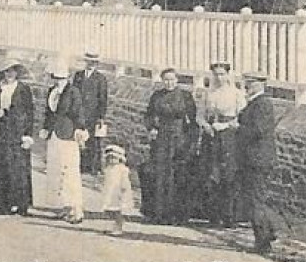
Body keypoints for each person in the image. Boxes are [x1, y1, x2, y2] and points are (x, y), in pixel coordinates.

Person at [142, 67, 197, 224]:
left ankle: (176, 215)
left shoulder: (185, 96)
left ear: (177, 80)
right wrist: (151, 127)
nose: (169, 83)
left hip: (179, 139)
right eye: (166, 79)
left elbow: (192, 121)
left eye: (172, 79)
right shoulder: (157, 96)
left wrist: (189, 142)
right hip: (161, 138)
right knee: (160, 174)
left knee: (177, 175)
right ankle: (159, 213)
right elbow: (149, 114)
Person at [198, 61, 247, 226]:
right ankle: (213, 215)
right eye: (216, 74)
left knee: (228, 174)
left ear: (228, 75)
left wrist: (225, 125)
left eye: (222, 74)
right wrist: (205, 125)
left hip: (228, 136)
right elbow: (200, 115)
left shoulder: (236, 94)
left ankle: (229, 215)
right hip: (211, 135)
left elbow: (241, 118)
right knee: (211, 173)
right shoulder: (208, 94)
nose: (219, 78)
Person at [237, 72, 280, 254]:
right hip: (254, 158)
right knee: (256, 197)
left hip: (258, 159)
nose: (247, 86)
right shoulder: (255, 103)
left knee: (255, 199)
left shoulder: (262, 104)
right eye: (247, 83)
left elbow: (258, 130)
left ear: (259, 85)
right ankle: (267, 232)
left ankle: (262, 242)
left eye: (250, 83)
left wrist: (237, 130)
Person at [0, 61, 34, 216]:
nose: (9, 74)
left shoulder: (23, 89)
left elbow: (27, 112)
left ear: (17, 73)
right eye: (6, 71)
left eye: (12, 71)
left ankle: (22, 204)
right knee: (2, 167)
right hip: (2, 132)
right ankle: (4, 204)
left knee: (19, 168)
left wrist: (28, 133)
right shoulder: (0, 88)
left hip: (18, 132)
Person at [41, 57, 86, 224]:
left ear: (67, 78)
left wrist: (80, 129)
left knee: (69, 171)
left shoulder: (73, 92)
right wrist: (46, 127)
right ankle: (63, 207)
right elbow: (49, 112)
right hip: (54, 135)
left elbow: (78, 112)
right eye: (56, 78)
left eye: (61, 78)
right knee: (55, 170)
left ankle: (76, 209)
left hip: (68, 134)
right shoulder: (52, 92)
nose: (58, 81)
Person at [75, 52, 110, 175]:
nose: (91, 64)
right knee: (78, 138)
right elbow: (74, 93)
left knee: (92, 141)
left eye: (94, 62)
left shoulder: (100, 79)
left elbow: (103, 99)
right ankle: (78, 164)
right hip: (79, 112)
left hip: (92, 114)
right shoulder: (78, 76)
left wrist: (101, 117)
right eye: (89, 61)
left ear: (97, 63)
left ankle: (90, 167)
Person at [101, 143, 135, 235]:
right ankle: (112, 225)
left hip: (118, 192)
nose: (111, 160)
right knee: (109, 211)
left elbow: (125, 180)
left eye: (114, 158)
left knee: (118, 211)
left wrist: (124, 188)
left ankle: (118, 227)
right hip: (110, 193)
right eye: (109, 158)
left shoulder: (122, 169)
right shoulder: (108, 169)